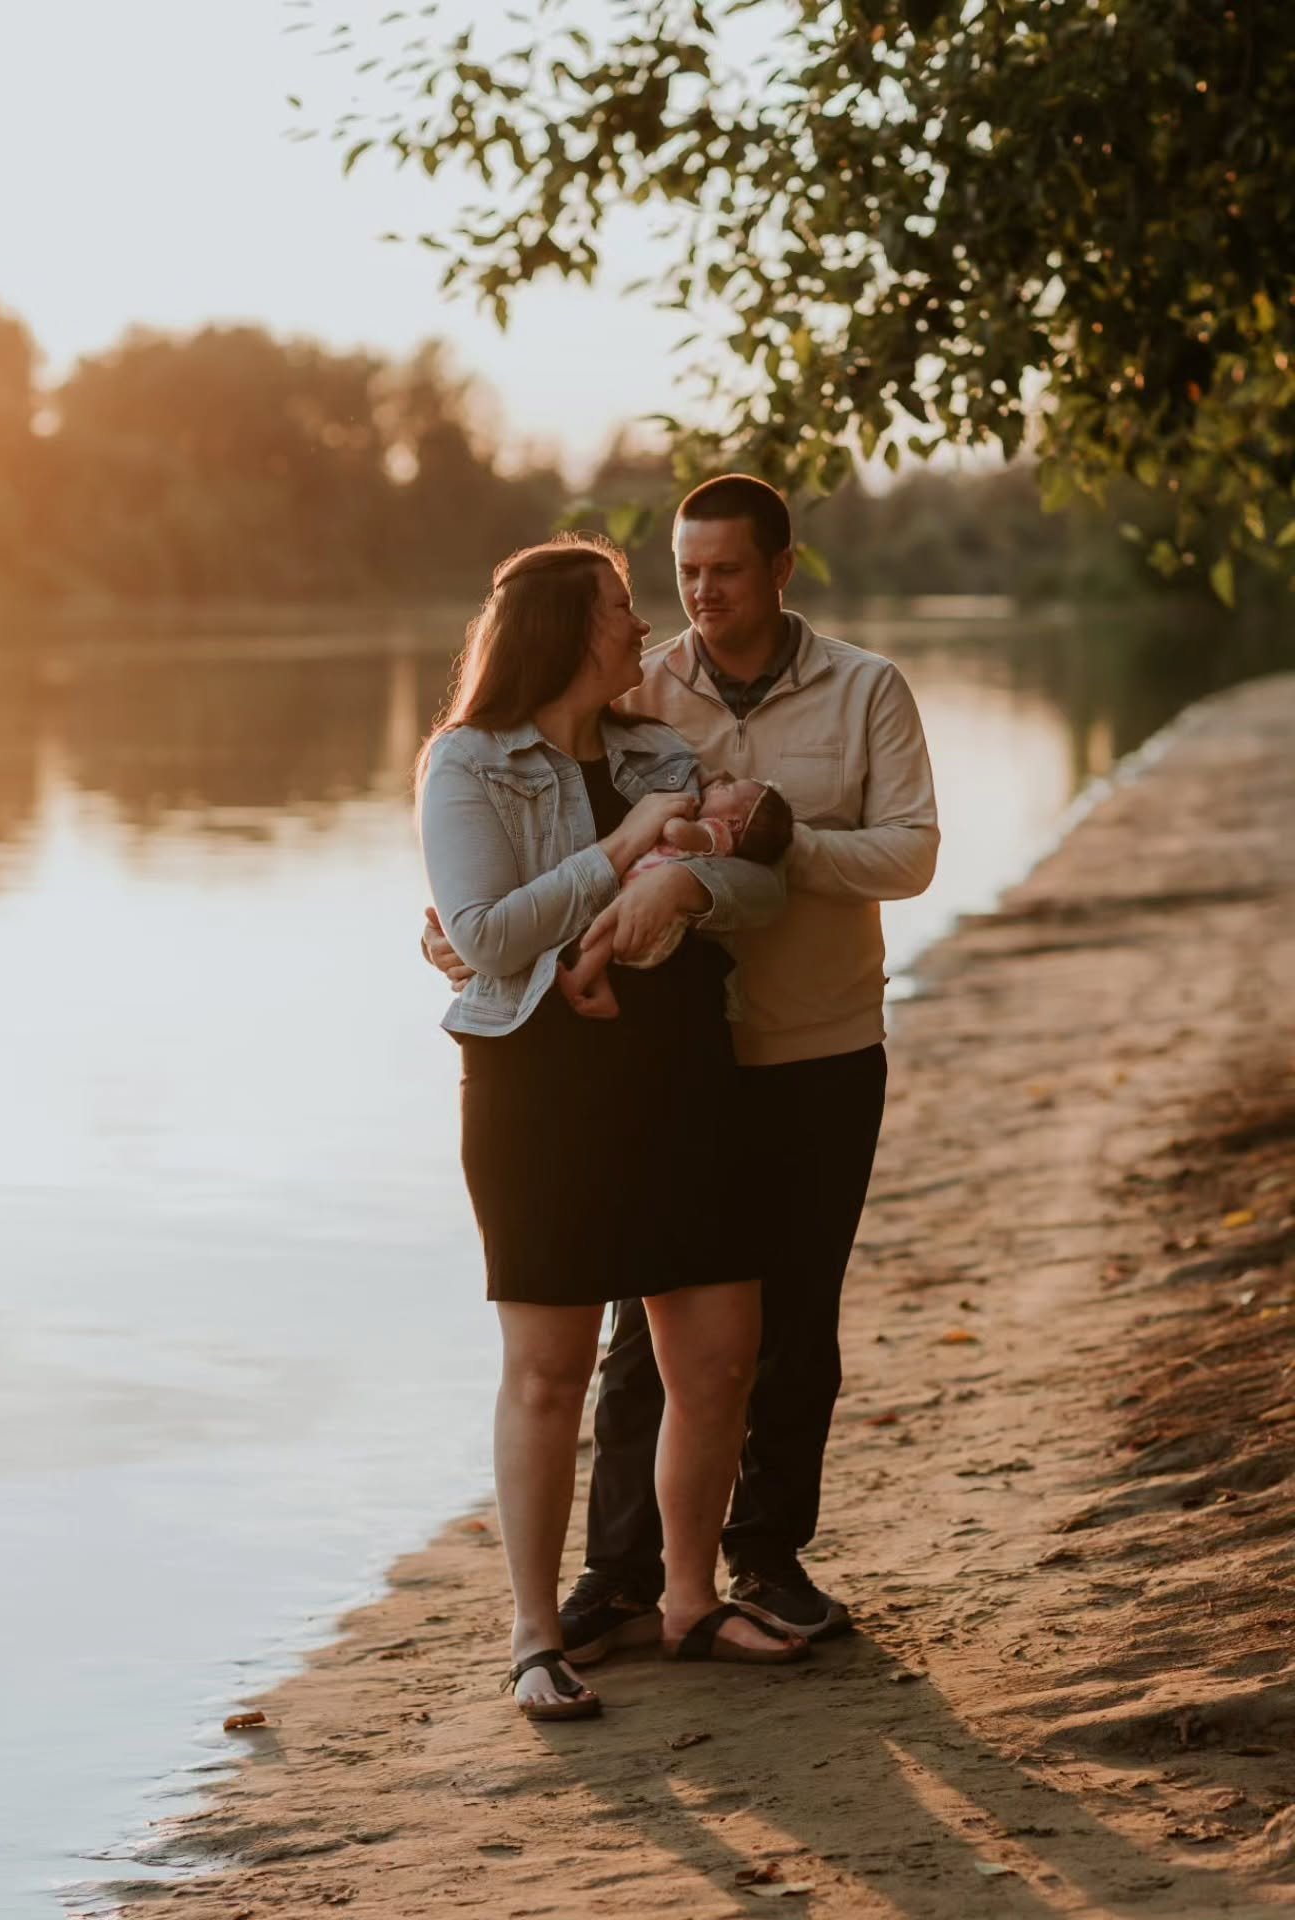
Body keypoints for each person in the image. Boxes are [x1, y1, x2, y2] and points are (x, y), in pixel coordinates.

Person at [425, 477, 939, 1660]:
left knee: (785, 1322)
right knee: (633, 1342)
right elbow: (506, 885)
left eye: (726, 572)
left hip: (810, 1040)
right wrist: (464, 927)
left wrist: (714, 861)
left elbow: (904, 857)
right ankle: (622, 1573)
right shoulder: (638, 696)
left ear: (782, 570)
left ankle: (762, 1560)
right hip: (656, 1063)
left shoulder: (861, 689)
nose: (695, 597)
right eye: (680, 574)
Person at [418, 533, 808, 1721]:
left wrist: (679, 877)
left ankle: (688, 1600)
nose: (644, 625)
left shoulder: (658, 751)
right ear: (564, 632)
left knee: (720, 1357)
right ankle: (536, 1636)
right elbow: (485, 935)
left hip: (682, 1072)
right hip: (539, 1089)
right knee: (548, 1373)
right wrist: (626, 849)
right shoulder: (466, 764)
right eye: (620, 607)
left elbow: (763, 885)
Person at [558, 779, 794, 1018]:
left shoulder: (716, 832)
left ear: (733, 823)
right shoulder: (717, 839)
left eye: (727, 788)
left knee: (602, 933)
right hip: (646, 902)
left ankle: (578, 979)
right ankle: (602, 993)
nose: (720, 784)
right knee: (600, 937)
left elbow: (674, 832)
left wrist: (674, 814)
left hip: (650, 912)